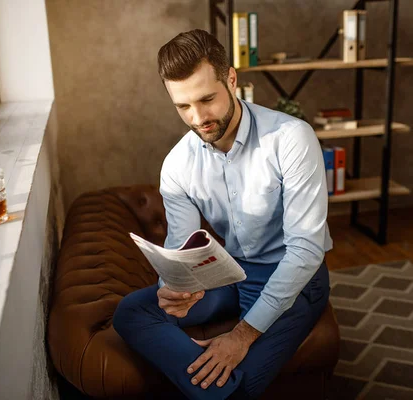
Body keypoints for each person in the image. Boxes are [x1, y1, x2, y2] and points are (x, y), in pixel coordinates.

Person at [113, 29, 332, 400]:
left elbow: (305, 252)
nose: (198, 117)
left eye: (206, 99)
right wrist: (177, 287)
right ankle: (216, 389)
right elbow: (181, 250)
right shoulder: (177, 164)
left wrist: (240, 338)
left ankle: (220, 390)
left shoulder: (292, 138)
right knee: (130, 312)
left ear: (231, 79)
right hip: (229, 275)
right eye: (183, 106)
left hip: (294, 278)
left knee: (229, 388)